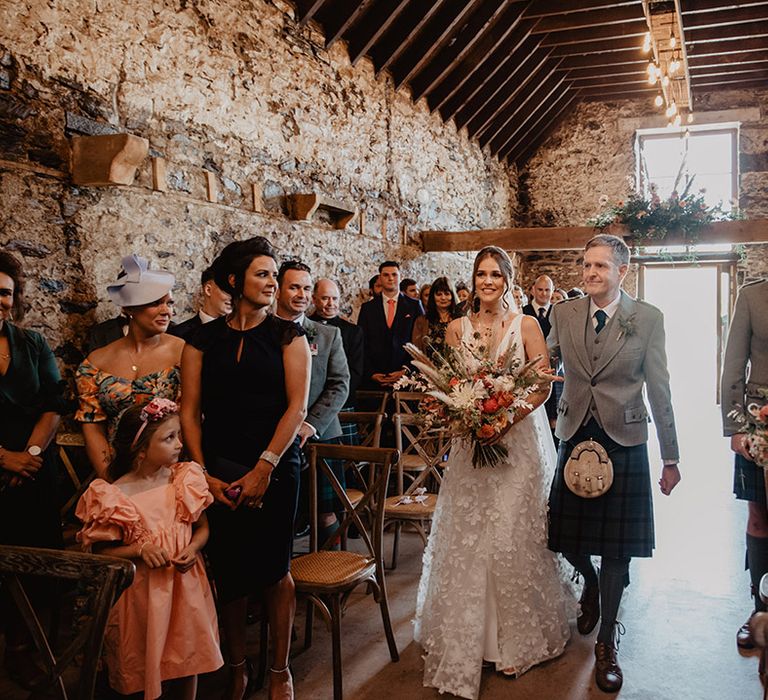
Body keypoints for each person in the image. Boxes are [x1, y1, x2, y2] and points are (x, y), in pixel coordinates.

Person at [414, 246, 573, 700]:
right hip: (470, 450)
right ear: (474, 279)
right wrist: (461, 414)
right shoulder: (454, 329)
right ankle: (471, 639)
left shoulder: (526, 325)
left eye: (496, 275)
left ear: (507, 279)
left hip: (517, 445)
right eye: (481, 274)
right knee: (470, 533)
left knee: (509, 535)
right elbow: (444, 387)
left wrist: (503, 418)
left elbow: (542, 383)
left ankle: (515, 639)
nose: (488, 282)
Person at [547, 234, 680, 693]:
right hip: (573, 432)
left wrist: (671, 456)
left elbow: (660, 389)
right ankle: (590, 583)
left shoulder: (647, 319)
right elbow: (543, 364)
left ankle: (607, 642)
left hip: (624, 440)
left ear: (623, 271)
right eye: (586, 265)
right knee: (563, 537)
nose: (590, 273)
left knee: (618, 549)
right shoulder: (562, 313)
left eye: (600, 267)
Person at [181, 236, 310, 700]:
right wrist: (201, 473)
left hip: (274, 466)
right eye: (263, 274)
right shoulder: (201, 339)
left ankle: (279, 669)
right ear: (234, 281)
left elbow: (295, 409)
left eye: (275, 275)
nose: (273, 283)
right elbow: (189, 409)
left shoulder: (288, 335)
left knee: (276, 570)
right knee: (230, 571)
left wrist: (263, 468)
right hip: (217, 466)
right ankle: (235, 665)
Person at [76, 399, 222, 700]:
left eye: (178, 435)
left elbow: (203, 527)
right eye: (169, 438)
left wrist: (193, 548)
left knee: (188, 655)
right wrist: (139, 549)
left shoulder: (184, 480)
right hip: (143, 599)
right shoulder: (114, 496)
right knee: (145, 659)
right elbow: (100, 554)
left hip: (187, 591)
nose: (179, 444)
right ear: (140, 448)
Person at [0, 250, 68, 689]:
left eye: (5, 292)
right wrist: (2, 459)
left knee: (31, 566)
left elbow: (54, 403)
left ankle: (21, 650)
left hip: (31, 470)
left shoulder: (32, 343)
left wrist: (30, 454)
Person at [76, 254, 183, 478]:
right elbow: (92, 425)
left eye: (169, 303)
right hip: (115, 471)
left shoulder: (183, 353)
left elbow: (191, 418)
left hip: (170, 471)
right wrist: (111, 479)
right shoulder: (94, 363)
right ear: (129, 309)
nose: (167, 311)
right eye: (155, 303)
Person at [275, 261, 350, 543]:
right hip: (273, 435)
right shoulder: (263, 332)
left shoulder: (328, 334)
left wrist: (309, 424)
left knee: (325, 513)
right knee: (280, 513)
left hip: (320, 435)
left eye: (306, 288)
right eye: (294, 287)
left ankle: (330, 579)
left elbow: (340, 384)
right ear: (278, 290)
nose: (302, 294)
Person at [721, 278, 768, 649]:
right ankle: (759, 610)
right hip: (759, 420)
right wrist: (736, 428)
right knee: (758, 516)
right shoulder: (753, 295)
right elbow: (734, 365)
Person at [357, 260, 423, 389]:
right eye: (386, 275)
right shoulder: (368, 308)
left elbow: (419, 342)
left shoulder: (414, 306)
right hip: (375, 378)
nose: (390, 278)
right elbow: (362, 342)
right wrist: (371, 373)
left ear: (400, 277)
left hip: (406, 378)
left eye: (394, 274)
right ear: (380, 278)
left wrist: (406, 370)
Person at [310, 278, 364, 410]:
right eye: (325, 298)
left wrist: (333, 399)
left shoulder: (353, 331)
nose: (331, 303)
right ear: (314, 299)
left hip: (342, 403)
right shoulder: (302, 327)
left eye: (334, 298)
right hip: (309, 403)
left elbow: (356, 371)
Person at [170, 263, 232, 341]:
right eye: (227, 291)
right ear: (208, 290)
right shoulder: (179, 335)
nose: (234, 297)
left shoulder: (243, 333)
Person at [411, 276, 457, 358]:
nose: (443, 298)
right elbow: (417, 351)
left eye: (447, 294)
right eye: (439, 294)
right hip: (428, 369)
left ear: (452, 296)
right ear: (433, 296)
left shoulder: (460, 319)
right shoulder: (422, 321)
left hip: (458, 369)